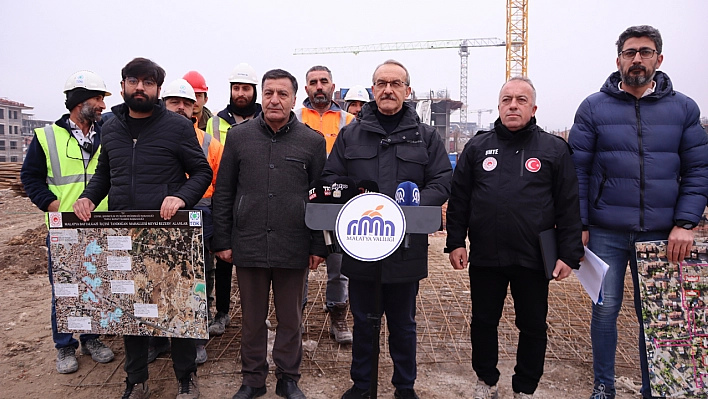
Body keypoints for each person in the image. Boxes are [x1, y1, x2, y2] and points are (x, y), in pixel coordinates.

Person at [568, 25, 708, 399]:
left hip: (663, 233)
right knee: (605, 310)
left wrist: (685, 222)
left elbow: (698, 169)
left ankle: (657, 387)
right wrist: (579, 223)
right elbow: (577, 171)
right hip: (605, 231)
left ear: (658, 59)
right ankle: (604, 386)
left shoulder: (683, 109)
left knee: (659, 316)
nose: (637, 59)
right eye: (630, 52)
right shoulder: (593, 108)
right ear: (618, 61)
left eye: (645, 52)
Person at [73, 57, 212, 399]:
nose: (140, 88)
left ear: (157, 90)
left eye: (148, 83)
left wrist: (180, 197)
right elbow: (106, 173)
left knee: (175, 309)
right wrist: (89, 197)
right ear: (122, 86)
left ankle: (185, 378)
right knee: (131, 312)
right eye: (133, 81)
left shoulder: (177, 127)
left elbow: (202, 173)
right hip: (124, 233)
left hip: (168, 234)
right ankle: (136, 381)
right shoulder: (111, 127)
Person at [446, 76, 584, 399]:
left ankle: (525, 388)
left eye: (521, 100)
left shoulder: (553, 149)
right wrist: (455, 242)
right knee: (483, 321)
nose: (513, 105)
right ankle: (487, 381)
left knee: (533, 325)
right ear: (498, 105)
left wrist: (569, 253)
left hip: (534, 256)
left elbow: (568, 205)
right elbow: (460, 198)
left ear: (533, 108)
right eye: (507, 99)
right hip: (486, 255)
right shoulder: (477, 147)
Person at [322, 59, 452, 399]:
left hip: (406, 249)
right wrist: (356, 197)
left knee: (403, 324)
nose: (388, 89)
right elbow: (331, 178)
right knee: (364, 321)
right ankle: (362, 384)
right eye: (381, 83)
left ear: (407, 91)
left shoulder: (425, 136)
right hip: (362, 244)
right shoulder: (351, 134)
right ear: (373, 89)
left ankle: (404, 386)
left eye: (396, 83)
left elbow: (443, 179)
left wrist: (415, 201)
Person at [212, 68, 327, 399]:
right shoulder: (239, 137)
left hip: (294, 244)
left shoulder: (312, 141)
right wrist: (223, 240)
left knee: (291, 319)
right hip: (248, 242)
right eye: (269, 93)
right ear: (262, 95)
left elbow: (320, 198)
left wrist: (318, 244)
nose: (275, 100)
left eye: (282, 94)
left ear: (294, 99)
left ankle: (288, 378)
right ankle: (253, 380)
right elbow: (224, 192)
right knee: (252, 319)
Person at [20, 70, 115, 375]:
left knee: (97, 286)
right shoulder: (46, 137)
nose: (102, 104)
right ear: (78, 100)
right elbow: (30, 178)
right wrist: (53, 205)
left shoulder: (107, 135)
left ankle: (91, 338)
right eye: (97, 98)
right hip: (64, 227)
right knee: (65, 288)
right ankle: (64, 345)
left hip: (100, 226)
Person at [160, 78, 224, 366]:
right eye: (175, 101)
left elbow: (221, 187)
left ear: (195, 108)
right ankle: (158, 338)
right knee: (158, 279)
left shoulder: (210, 143)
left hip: (200, 217)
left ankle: (197, 338)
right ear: (164, 103)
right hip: (160, 219)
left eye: (187, 103)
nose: (181, 108)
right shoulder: (149, 138)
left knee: (200, 278)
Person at [295, 65, 356, 344]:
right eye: (313, 82)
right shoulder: (294, 118)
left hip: (337, 204)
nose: (319, 86)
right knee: (297, 263)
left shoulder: (350, 122)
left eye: (324, 81)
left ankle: (338, 314)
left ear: (333, 86)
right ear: (305, 89)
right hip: (300, 201)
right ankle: (295, 317)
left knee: (338, 265)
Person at [205, 62, 262, 337]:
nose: (241, 93)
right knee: (224, 257)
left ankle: (258, 314)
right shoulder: (215, 121)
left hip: (257, 194)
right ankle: (222, 312)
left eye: (246, 88)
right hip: (226, 194)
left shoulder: (266, 118)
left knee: (259, 260)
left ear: (254, 91)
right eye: (236, 88)